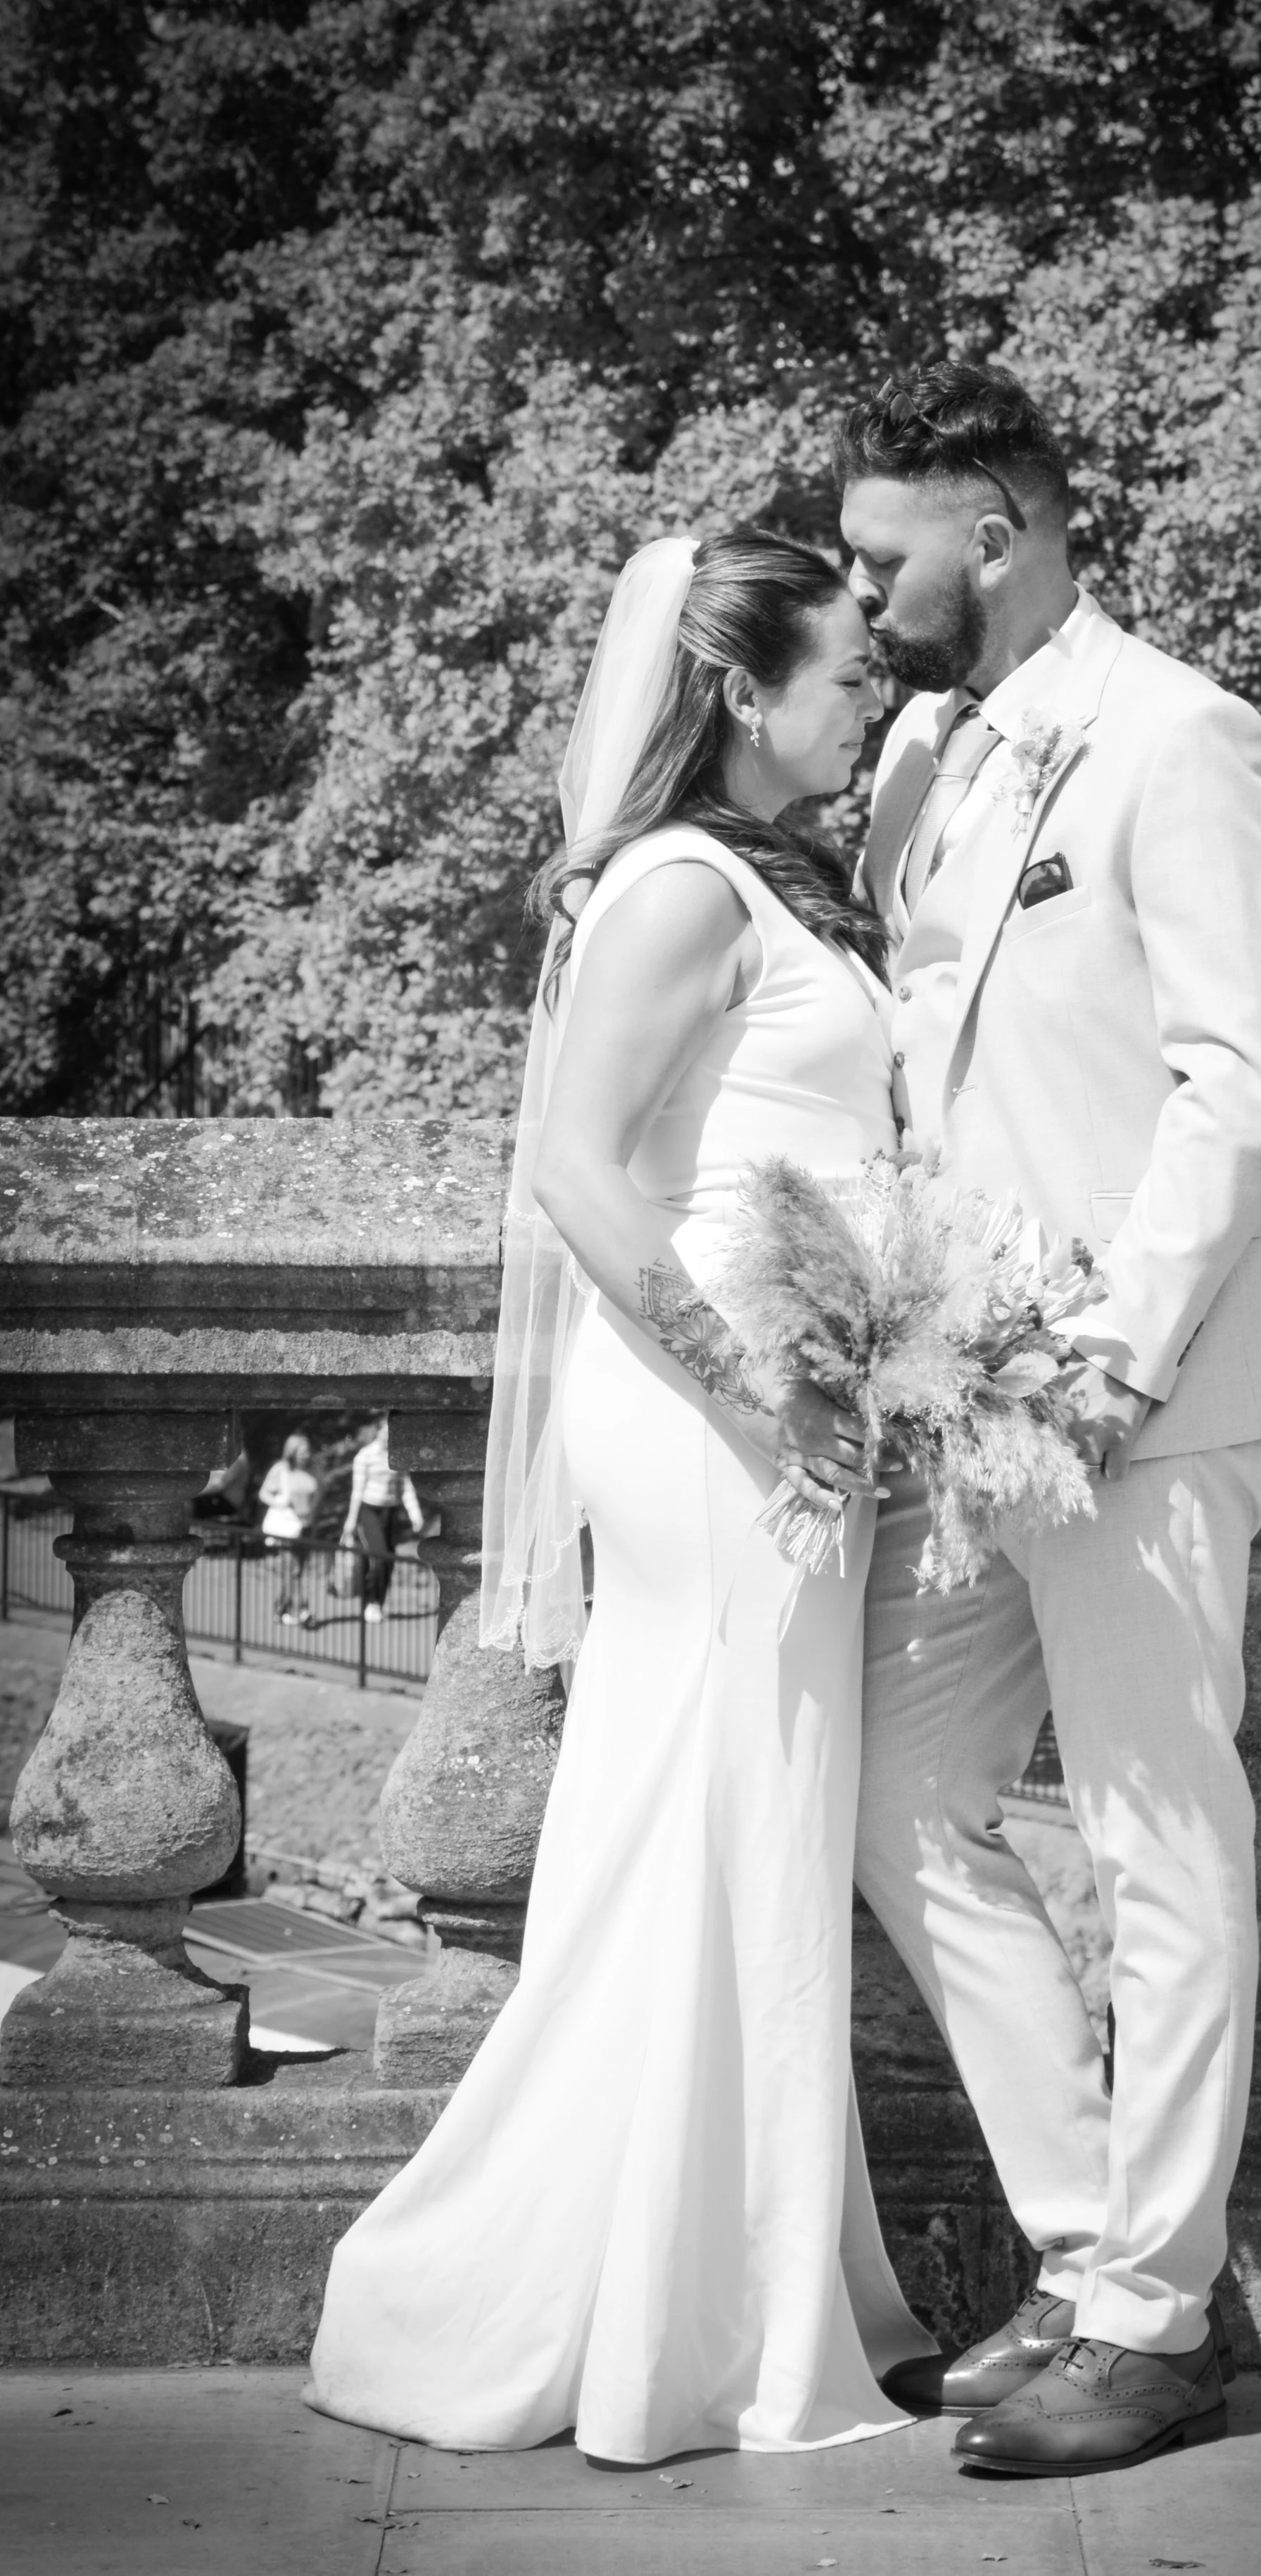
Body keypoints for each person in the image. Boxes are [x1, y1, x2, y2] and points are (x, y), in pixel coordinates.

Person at [305, 528, 937, 2461]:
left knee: (727, 1816)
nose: (871, 697)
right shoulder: (674, 885)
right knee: (725, 1802)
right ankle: (662, 2312)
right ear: (740, 690)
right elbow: (582, 1175)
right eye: (843, 673)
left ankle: (731, 2288)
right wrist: (758, 1390)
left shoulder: (768, 877)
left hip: (775, 1403)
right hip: (710, 1418)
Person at [837, 362, 1261, 2477]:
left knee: (1154, 1833)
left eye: (883, 556)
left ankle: (1157, 2314)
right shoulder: (926, 749)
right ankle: (1079, 2237)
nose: (861, 599)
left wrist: (1114, 1354)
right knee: (894, 1786)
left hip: (1141, 1387)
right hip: (960, 1397)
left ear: (996, 525)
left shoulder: (1182, 734)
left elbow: (1241, 1073)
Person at [338, 1421, 424, 1624]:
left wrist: (415, 1514)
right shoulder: (365, 1456)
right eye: (386, 1433)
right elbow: (357, 1491)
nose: (388, 1437)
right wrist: (351, 1521)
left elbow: (405, 1487)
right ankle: (371, 1602)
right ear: (378, 1433)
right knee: (379, 1554)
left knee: (389, 1558)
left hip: (391, 1511)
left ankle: (380, 1601)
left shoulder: (397, 1456)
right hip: (369, 1510)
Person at [258, 1432, 319, 1626]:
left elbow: (317, 1494)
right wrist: (280, 1503)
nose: (306, 1454)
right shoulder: (281, 1470)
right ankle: (303, 1610)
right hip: (286, 1527)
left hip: (305, 1526)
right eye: (302, 1451)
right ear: (292, 1452)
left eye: (308, 1450)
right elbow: (264, 1494)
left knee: (296, 1570)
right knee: (292, 1569)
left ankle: (280, 1608)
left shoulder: (313, 1470)